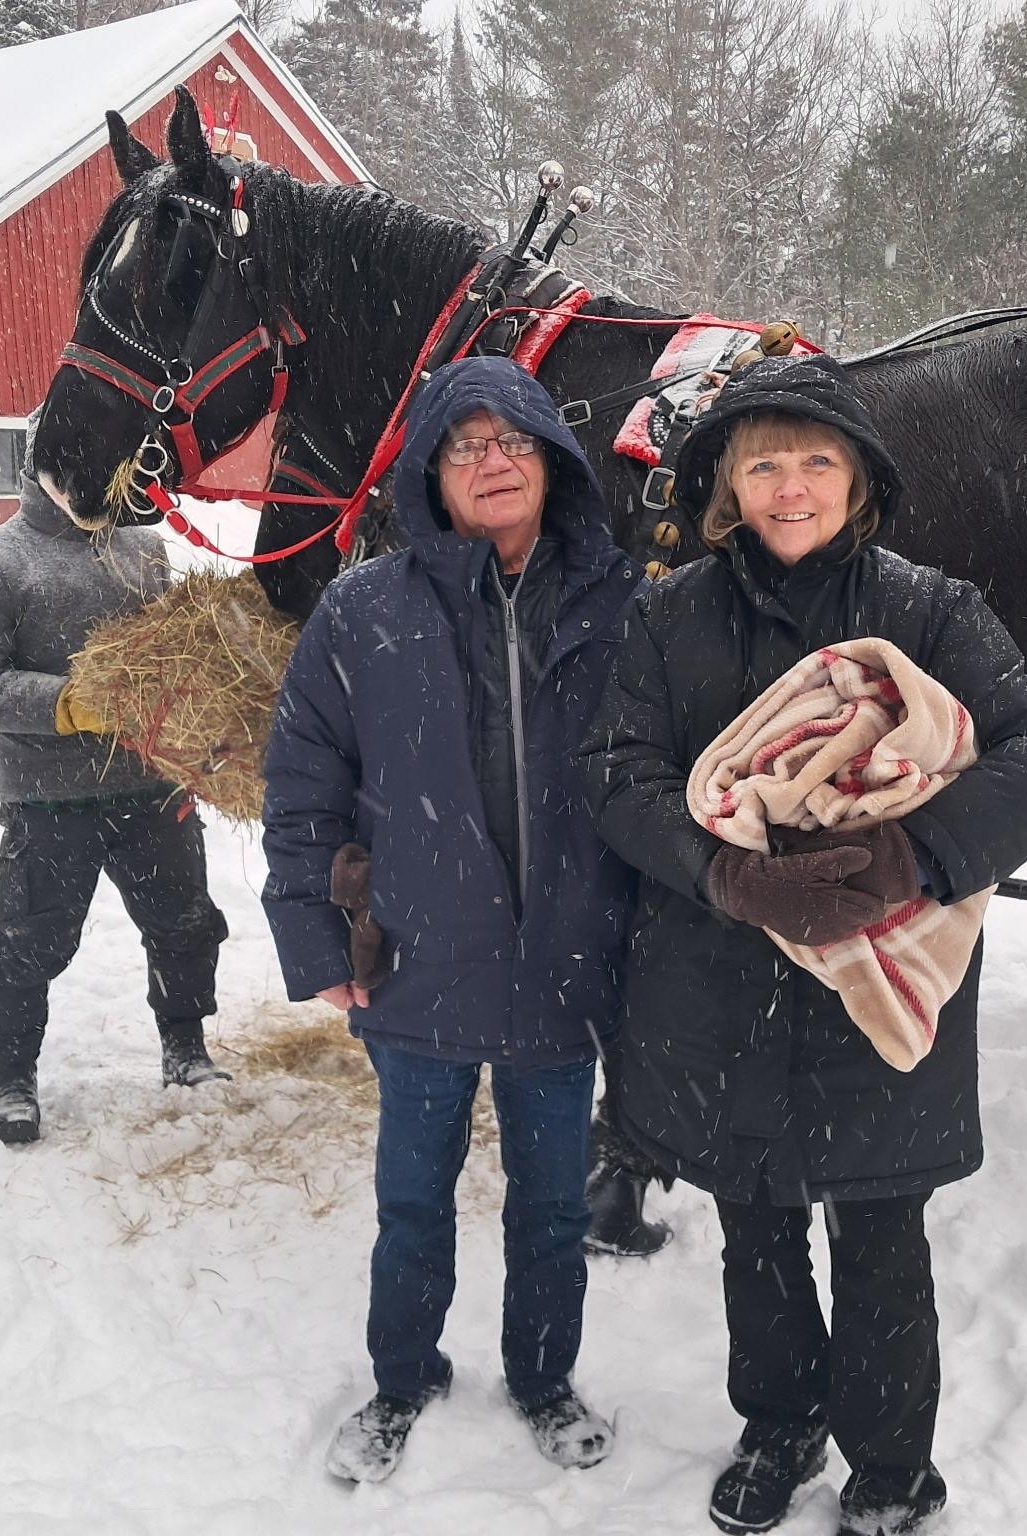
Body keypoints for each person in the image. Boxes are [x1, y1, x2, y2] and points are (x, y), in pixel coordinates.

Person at [581, 353, 1027, 1536]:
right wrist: (730, 874)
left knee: (881, 1240)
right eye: (762, 464)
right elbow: (612, 773)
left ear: (858, 482)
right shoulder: (667, 615)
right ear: (725, 487)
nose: (788, 486)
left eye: (815, 461)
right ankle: (778, 1425)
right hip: (721, 982)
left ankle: (894, 1468)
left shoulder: (931, 610)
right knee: (755, 1229)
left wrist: (917, 858)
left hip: (879, 978)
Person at [260, 357, 643, 1484]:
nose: (493, 461)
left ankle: (541, 1376)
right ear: (430, 471)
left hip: (566, 959)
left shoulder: (619, 600)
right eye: (466, 444)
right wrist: (312, 938)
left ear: (553, 463)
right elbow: (302, 778)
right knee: (413, 1198)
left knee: (552, 1203)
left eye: (514, 440)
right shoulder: (363, 607)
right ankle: (401, 1377)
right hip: (414, 962)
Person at [0, 435, 230, 1145]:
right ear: (40, 468)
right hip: (49, 797)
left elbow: (176, 658)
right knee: (31, 943)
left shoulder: (145, 550)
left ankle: (185, 1047)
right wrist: (70, 704)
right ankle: (10, 1075)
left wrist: (208, 716)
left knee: (183, 921)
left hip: (152, 783)